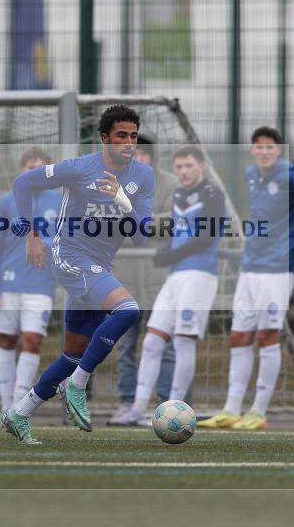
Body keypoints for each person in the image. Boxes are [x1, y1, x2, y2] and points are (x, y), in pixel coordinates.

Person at [0, 105, 155, 445]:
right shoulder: (80, 168)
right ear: (105, 138)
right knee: (128, 310)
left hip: (99, 266)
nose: (128, 142)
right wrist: (31, 234)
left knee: (72, 353)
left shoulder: (143, 176)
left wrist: (121, 199)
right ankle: (77, 384)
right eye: (121, 136)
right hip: (69, 256)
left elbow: (142, 234)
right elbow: (23, 183)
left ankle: (19, 413)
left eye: (132, 135)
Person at [197, 126, 294, 431]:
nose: (264, 152)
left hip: (276, 268)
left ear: (279, 150)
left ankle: (258, 411)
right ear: (252, 150)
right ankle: (231, 409)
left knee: (267, 335)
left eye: (270, 147)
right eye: (258, 147)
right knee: (239, 336)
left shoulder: (289, 176)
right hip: (250, 266)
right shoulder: (252, 175)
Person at [117, 145, 226, 426]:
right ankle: (137, 408)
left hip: (199, 274)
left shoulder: (212, 193)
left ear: (201, 166)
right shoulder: (179, 193)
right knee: (153, 340)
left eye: (189, 165)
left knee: (182, 340)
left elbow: (206, 236)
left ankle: (176, 408)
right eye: (179, 167)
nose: (184, 171)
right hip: (175, 275)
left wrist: (170, 253)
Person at [108, 134, 178, 425]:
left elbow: (172, 222)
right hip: (124, 280)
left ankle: (167, 402)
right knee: (125, 345)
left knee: (166, 345)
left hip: (160, 279)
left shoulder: (171, 184)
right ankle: (128, 402)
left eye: (142, 154)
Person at [0, 147, 62, 412]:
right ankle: (5, 406)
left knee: (32, 340)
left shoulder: (58, 202)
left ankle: (18, 407)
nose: (36, 173)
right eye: (31, 168)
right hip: (8, 284)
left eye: (41, 169)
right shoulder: (7, 201)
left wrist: (46, 242)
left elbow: (68, 239)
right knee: (6, 340)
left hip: (41, 285)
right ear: (22, 171)